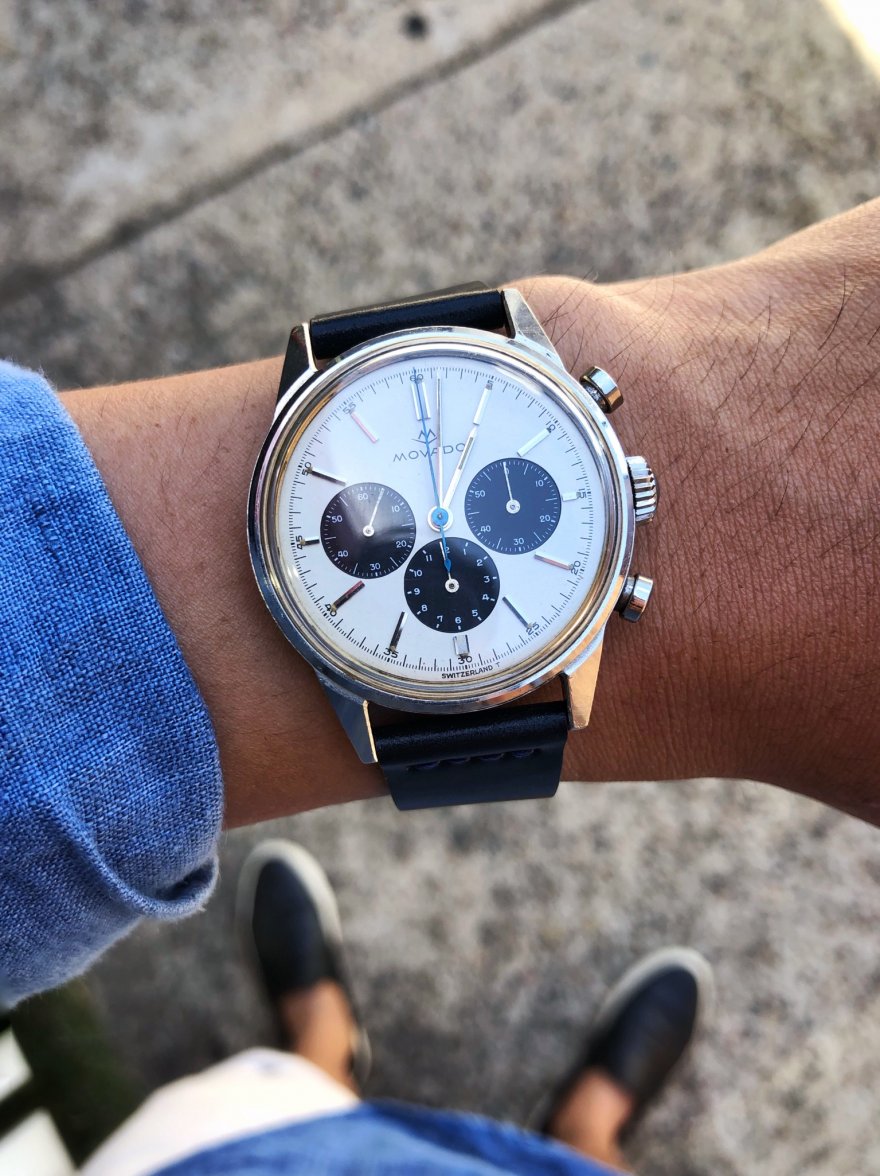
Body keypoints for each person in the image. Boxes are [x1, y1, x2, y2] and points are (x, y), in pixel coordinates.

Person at [1, 198, 879, 1171]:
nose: (448, 519)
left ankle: (317, 1057)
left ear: (630, 492)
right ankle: (579, 1136)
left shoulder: (584, 546)